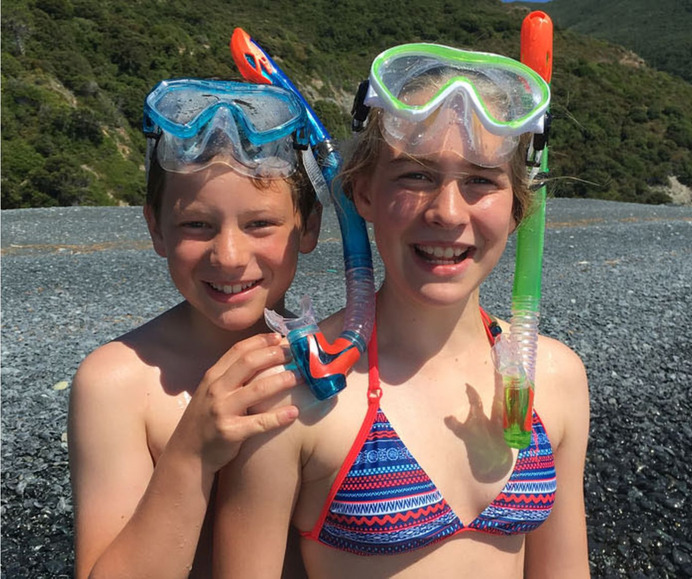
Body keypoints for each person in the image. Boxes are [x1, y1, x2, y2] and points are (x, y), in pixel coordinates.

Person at [214, 44, 590, 578]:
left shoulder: (554, 377)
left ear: (517, 208)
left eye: (482, 179)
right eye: (416, 175)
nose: (447, 212)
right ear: (362, 191)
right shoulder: (296, 389)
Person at [67, 79, 322, 578]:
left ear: (308, 227)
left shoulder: (336, 363)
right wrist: (191, 453)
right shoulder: (118, 384)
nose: (228, 257)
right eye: (197, 225)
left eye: (260, 225)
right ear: (156, 228)